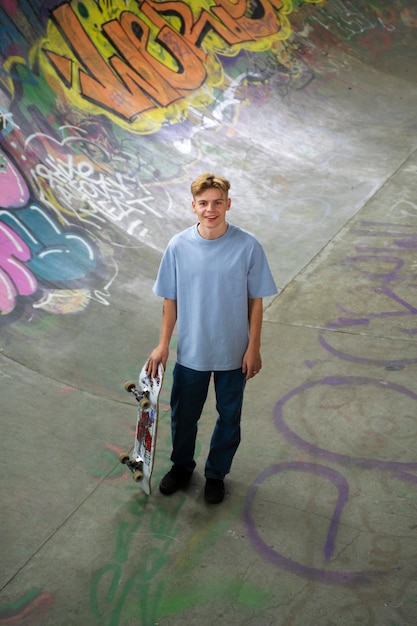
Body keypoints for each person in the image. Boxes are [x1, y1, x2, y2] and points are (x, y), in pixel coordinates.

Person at [146, 173, 277, 503]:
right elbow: (169, 301)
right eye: (203, 203)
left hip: (234, 352)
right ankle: (182, 466)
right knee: (184, 416)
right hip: (192, 351)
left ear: (228, 204)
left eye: (217, 202)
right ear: (193, 207)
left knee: (229, 417)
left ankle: (217, 473)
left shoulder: (248, 246)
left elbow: (256, 301)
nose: (211, 209)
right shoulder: (178, 246)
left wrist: (254, 347)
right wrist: (163, 345)